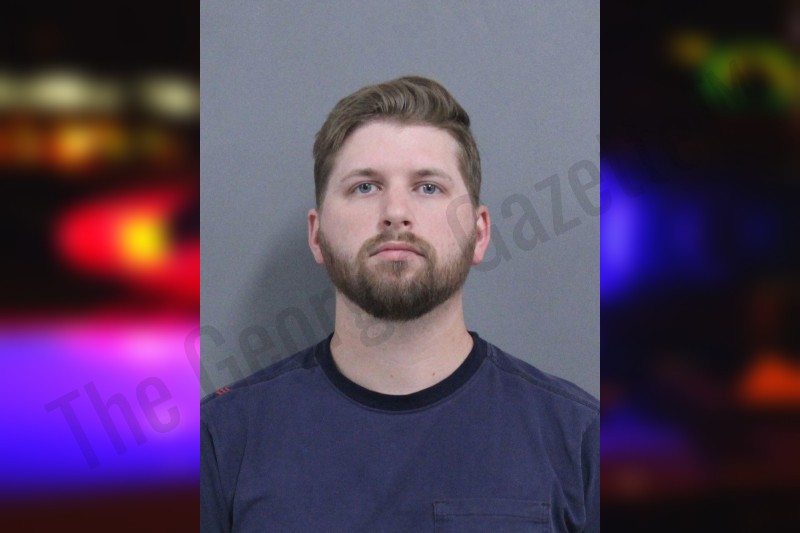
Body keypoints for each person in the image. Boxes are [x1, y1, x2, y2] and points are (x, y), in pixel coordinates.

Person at [201, 76, 599, 532]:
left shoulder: (579, 441)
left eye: (428, 187)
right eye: (365, 187)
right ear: (317, 234)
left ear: (479, 233)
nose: (395, 212)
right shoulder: (222, 441)